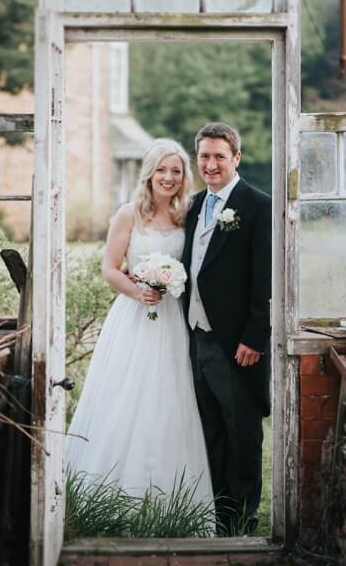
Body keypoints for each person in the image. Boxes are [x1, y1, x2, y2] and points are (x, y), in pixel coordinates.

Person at [66, 139, 214, 523]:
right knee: (125, 395)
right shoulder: (128, 214)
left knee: (170, 396)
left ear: (184, 178)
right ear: (149, 172)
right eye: (162, 170)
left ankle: (171, 501)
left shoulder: (189, 215)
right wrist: (138, 290)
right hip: (134, 317)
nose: (168, 177)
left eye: (176, 171)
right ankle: (107, 496)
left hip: (173, 321)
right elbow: (110, 267)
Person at [182, 122, 271, 535]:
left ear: (236, 158)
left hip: (237, 343)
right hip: (196, 337)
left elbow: (266, 278)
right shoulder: (195, 205)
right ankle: (218, 518)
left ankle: (244, 522)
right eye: (204, 156)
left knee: (241, 432)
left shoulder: (257, 206)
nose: (211, 164)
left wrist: (255, 337)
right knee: (212, 431)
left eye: (219, 156)